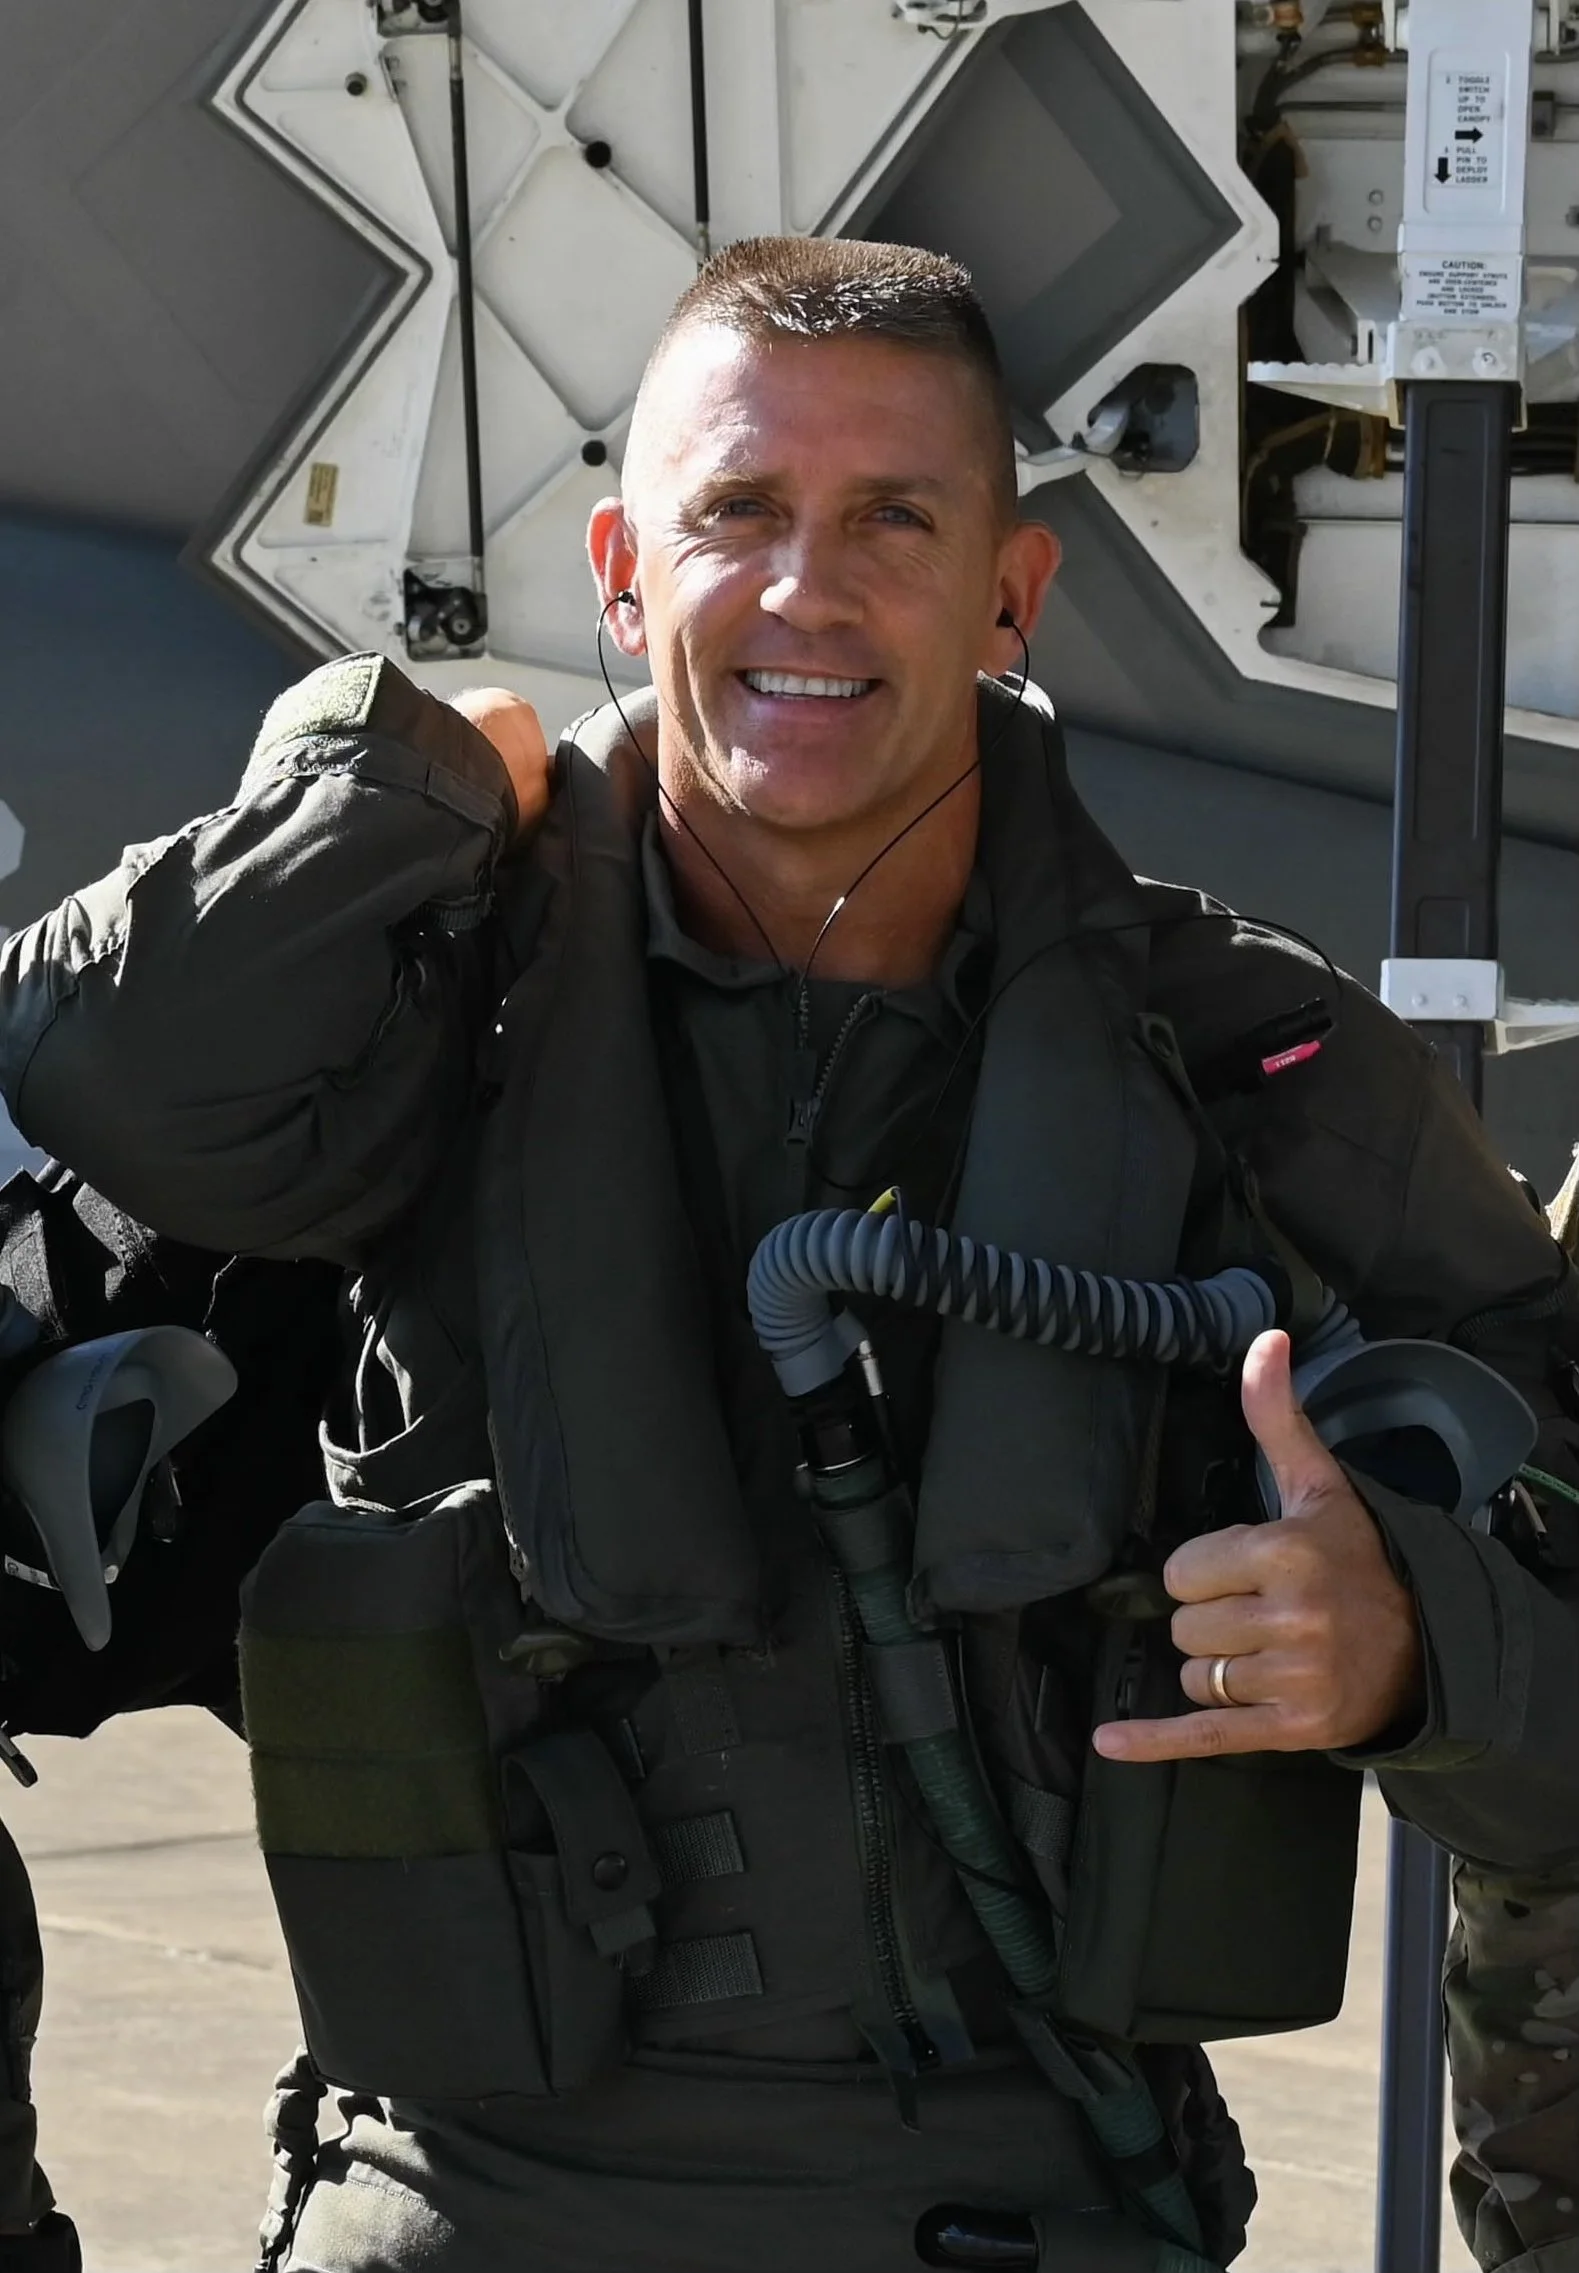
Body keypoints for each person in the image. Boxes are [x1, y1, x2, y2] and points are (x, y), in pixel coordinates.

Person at [2, 236, 1578, 2273]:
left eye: (893, 519)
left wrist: (1415, 1645)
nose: (806, 590)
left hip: (1031, 2207)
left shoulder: (1250, 1074)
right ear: (621, 569)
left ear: (1010, 590)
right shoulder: (400, 1028)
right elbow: (107, 1072)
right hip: (460, 2206)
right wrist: (392, 785)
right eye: (736, 510)